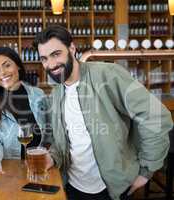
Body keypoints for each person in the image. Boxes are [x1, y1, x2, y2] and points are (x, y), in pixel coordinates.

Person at [33, 25, 173, 200]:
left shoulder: (108, 75)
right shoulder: (56, 93)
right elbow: (64, 141)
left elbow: (155, 115)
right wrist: (52, 157)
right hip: (72, 186)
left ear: (72, 48)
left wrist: (146, 170)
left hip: (111, 189)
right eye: (44, 58)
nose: (51, 64)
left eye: (56, 54)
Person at [0, 47, 50, 180]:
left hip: (41, 169)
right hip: (10, 174)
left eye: (7, 65)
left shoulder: (39, 95)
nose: (3, 73)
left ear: (18, 66)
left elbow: (50, 135)